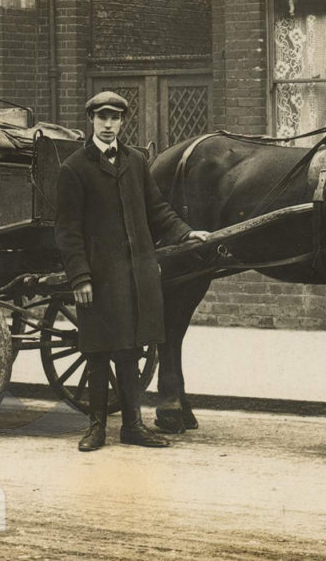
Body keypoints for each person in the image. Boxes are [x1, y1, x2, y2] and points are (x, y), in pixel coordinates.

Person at [54, 91, 210, 452]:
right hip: (99, 275)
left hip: (135, 273)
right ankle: (96, 428)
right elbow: (67, 231)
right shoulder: (74, 168)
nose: (109, 125)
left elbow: (157, 210)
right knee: (96, 352)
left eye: (115, 118)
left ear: (123, 122)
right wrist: (80, 277)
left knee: (128, 350)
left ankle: (133, 426)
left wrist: (186, 232)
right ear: (91, 120)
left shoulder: (136, 162)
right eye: (102, 118)